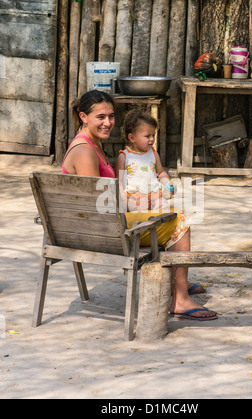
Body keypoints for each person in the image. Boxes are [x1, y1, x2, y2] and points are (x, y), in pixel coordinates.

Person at [62, 90, 218, 320]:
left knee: (164, 213)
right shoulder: (85, 151)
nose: (108, 123)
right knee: (181, 222)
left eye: (111, 116)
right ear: (83, 117)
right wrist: (137, 202)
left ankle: (178, 280)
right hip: (101, 232)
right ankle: (181, 298)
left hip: (100, 225)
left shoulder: (91, 145)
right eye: (100, 117)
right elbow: (99, 208)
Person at [115, 109, 172, 212]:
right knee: (140, 207)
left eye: (153, 135)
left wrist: (167, 182)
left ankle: (160, 223)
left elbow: (161, 172)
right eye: (147, 136)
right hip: (134, 197)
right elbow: (119, 182)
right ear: (132, 138)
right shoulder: (124, 156)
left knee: (164, 207)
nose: (152, 139)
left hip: (154, 194)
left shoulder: (153, 154)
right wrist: (123, 200)